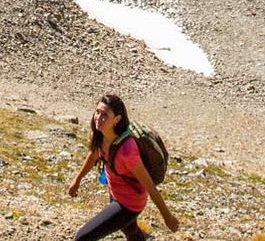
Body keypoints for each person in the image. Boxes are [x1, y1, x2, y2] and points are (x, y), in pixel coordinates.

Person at [66, 94, 180, 240]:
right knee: (131, 231)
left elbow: (150, 186)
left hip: (129, 203)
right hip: (115, 193)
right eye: (98, 112)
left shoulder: (127, 150)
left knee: (82, 237)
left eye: (105, 115)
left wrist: (167, 216)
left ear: (117, 120)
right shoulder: (101, 135)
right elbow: (93, 155)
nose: (98, 118)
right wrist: (77, 180)